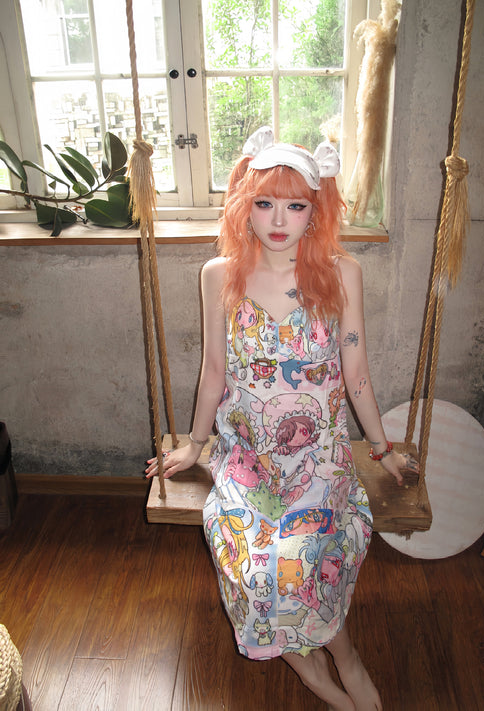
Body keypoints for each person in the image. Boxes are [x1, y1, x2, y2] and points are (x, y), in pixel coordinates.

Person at [146, 126, 418, 711]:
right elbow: (213, 371)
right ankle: (312, 670)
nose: (278, 220)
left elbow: (356, 373)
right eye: (265, 203)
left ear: (315, 212)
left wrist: (382, 449)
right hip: (248, 462)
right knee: (255, 568)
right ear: (244, 206)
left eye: (295, 206)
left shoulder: (341, 274)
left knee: (306, 560)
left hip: (318, 460)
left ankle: (345, 656)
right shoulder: (219, 274)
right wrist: (195, 445)